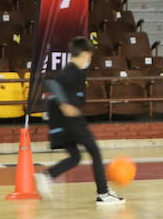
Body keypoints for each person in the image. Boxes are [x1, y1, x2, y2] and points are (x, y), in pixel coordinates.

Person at [34, 37, 124, 205]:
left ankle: (47, 176)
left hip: (60, 121)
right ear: (83, 54)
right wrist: (64, 103)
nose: (89, 60)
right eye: (89, 56)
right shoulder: (71, 71)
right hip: (70, 120)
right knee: (95, 151)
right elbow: (50, 81)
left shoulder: (76, 71)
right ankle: (103, 194)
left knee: (75, 157)